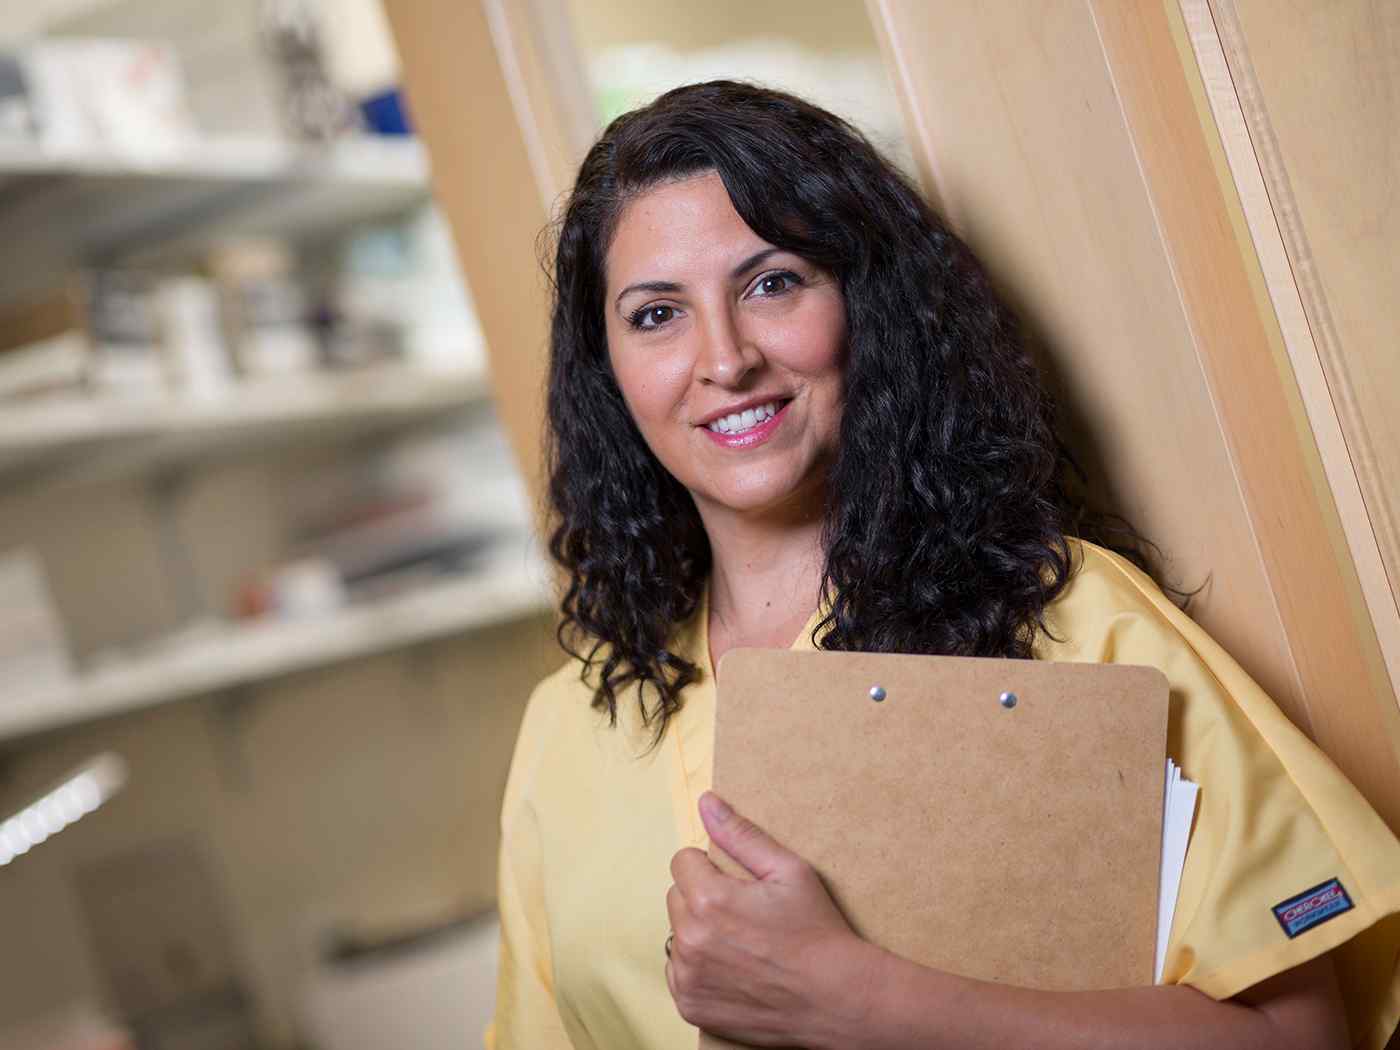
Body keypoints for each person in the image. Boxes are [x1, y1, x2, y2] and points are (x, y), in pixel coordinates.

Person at [486, 80, 1400, 1049]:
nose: (724, 359)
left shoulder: (1071, 620)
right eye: (655, 314)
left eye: (771, 282)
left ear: (869, 304)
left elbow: (1301, 1037)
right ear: (608, 373)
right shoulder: (569, 729)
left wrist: (865, 1002)